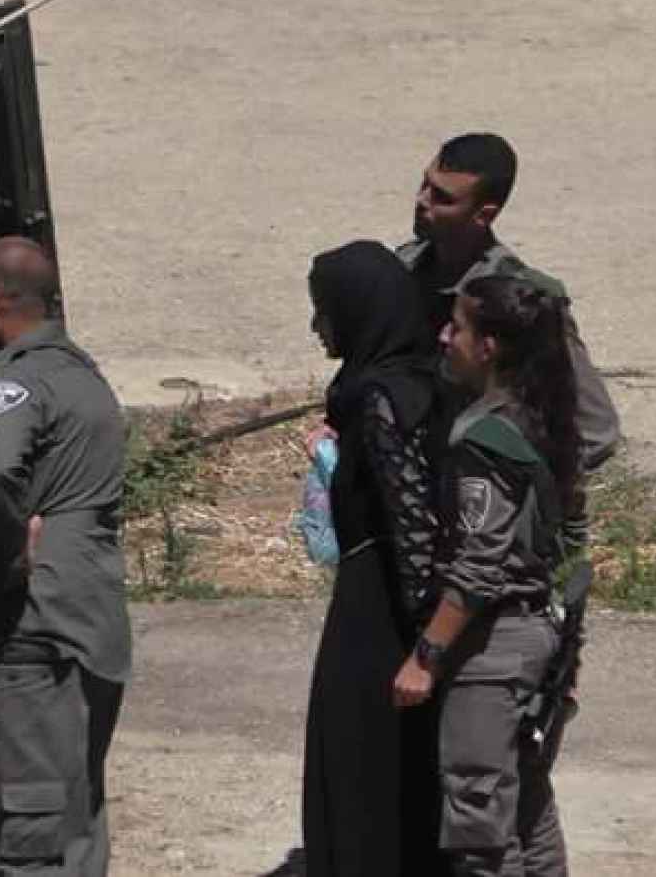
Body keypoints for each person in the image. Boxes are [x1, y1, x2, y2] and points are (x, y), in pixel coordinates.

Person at [393, 276, 579, 877]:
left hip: (493, 649)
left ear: (489, 347)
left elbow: (479, 561)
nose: (445, 337)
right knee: (526, 806)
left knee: (479, 826)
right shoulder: (542, 417)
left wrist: (426, 656)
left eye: (458, 327)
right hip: (538, 634)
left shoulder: (486, 439)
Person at [0, 236, 131, 877]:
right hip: (92, 607)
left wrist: (6, 559)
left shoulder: (15, 380)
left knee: (31, 818)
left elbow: (1, 469)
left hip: (39, 616)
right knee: (75, 803)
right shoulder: (82, 374)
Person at [301, 240, 445, 877]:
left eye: (325, 310)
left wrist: (425, 644)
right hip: (386, 601)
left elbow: (410, 524)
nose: (317, 326)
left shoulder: (382, 399)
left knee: (361, 763)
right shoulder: (409, 381)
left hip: (381, 609)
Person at [398, 132, 620, 482]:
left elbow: (597, 430)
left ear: (483, 215)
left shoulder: (518, 300)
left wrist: (520, 485)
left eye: (443, 198)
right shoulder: (404, 269)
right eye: (425, 184)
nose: (422, 201)